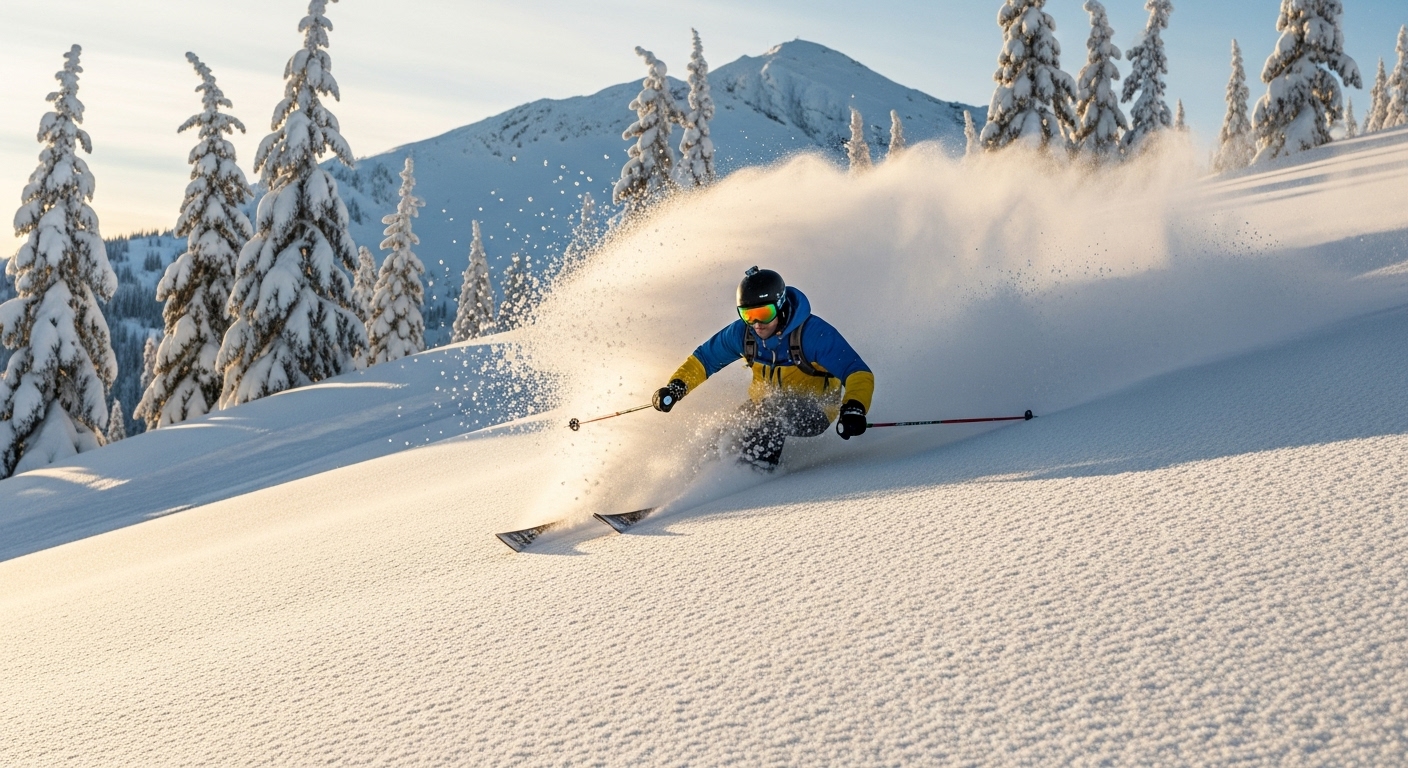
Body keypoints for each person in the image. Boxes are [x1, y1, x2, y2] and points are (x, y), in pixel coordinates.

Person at [652, 266, 874, 470]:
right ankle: (693, 491)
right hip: (763, 406)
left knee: (770, 415)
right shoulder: (743, 334)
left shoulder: (813, 335)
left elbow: (857, 372)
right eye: (748, 315)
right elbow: (704, 360)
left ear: (780, 305)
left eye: (764, 314)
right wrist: (676, 386)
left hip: (816, 410)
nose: (757, 324)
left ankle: (753, 478)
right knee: (724, 432)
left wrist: (854, 407)